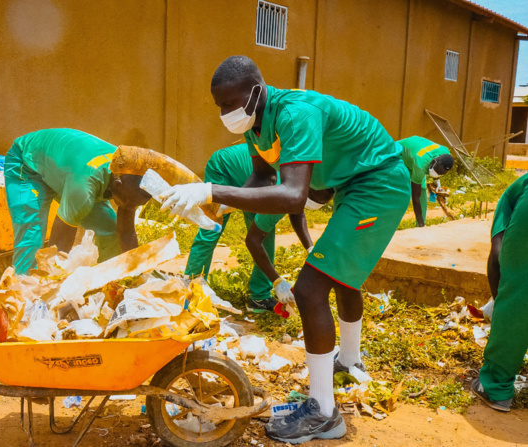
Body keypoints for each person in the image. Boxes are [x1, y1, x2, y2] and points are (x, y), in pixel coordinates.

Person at [160, 55, 411, 443]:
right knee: (339, 277)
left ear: (256, 91)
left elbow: (294, 195)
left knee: (310, 290)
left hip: (377, 183)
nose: (225, 112)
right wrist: (221, 205)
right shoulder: (256, 125)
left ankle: (325, 414)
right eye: (219, 105)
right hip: (350, 185)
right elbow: (261, 176)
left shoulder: (297, 113)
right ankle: (347, 360)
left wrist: (210, 188)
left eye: (230, 103)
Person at [185, 144, 313, 313]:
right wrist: (277, 281)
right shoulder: (283, 192)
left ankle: (259, 297)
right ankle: (191, 289)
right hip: (224, 167)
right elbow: (252, 241)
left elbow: (297, 211)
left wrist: (310, 248)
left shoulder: (301, 180)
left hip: (256, 182)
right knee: (212, 228)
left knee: (264, 233)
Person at [4, 128, 151, 275]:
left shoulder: (128, 172)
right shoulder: (84, 187)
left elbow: (125, 232)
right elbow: (58, 246)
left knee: (110, 233)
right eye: (128, 202)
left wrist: (136, 272)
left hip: (65, 167)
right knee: (31, 235)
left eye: (135, 204)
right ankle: (23, 289)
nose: (129, 207)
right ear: (118, 184)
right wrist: (55, 284)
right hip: (27, 162)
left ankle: (109, 281)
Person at [472, 173, 528, 412]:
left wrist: (502, 303)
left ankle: (494, 385)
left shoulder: (508, 203)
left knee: (519, 293)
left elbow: (497, 259)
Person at [398, 136, 454, 227]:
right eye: (436, 172)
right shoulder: (421, 165)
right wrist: (421, 225)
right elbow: (416, 197)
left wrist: (437, 185)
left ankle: (420, 225)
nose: (436, 174)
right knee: (403, 192)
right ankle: (419, 224)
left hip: (415, 152)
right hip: (400, 156)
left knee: (422, 193)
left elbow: (437, 171)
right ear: (433, 162)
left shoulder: (445, 153)